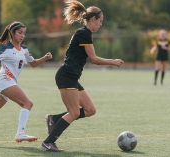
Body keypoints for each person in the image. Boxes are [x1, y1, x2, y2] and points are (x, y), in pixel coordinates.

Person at [41, 0, 124, 152]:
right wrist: (113, 62)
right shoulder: (84, 33)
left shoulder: (85, 33)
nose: (100, 24)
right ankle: (48, 142)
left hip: (71, 77)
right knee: (73, 112)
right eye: (100, 21)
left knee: (90, 109)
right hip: (67, 76)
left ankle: (54, 119)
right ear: (93, 19)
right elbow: (93, 59)